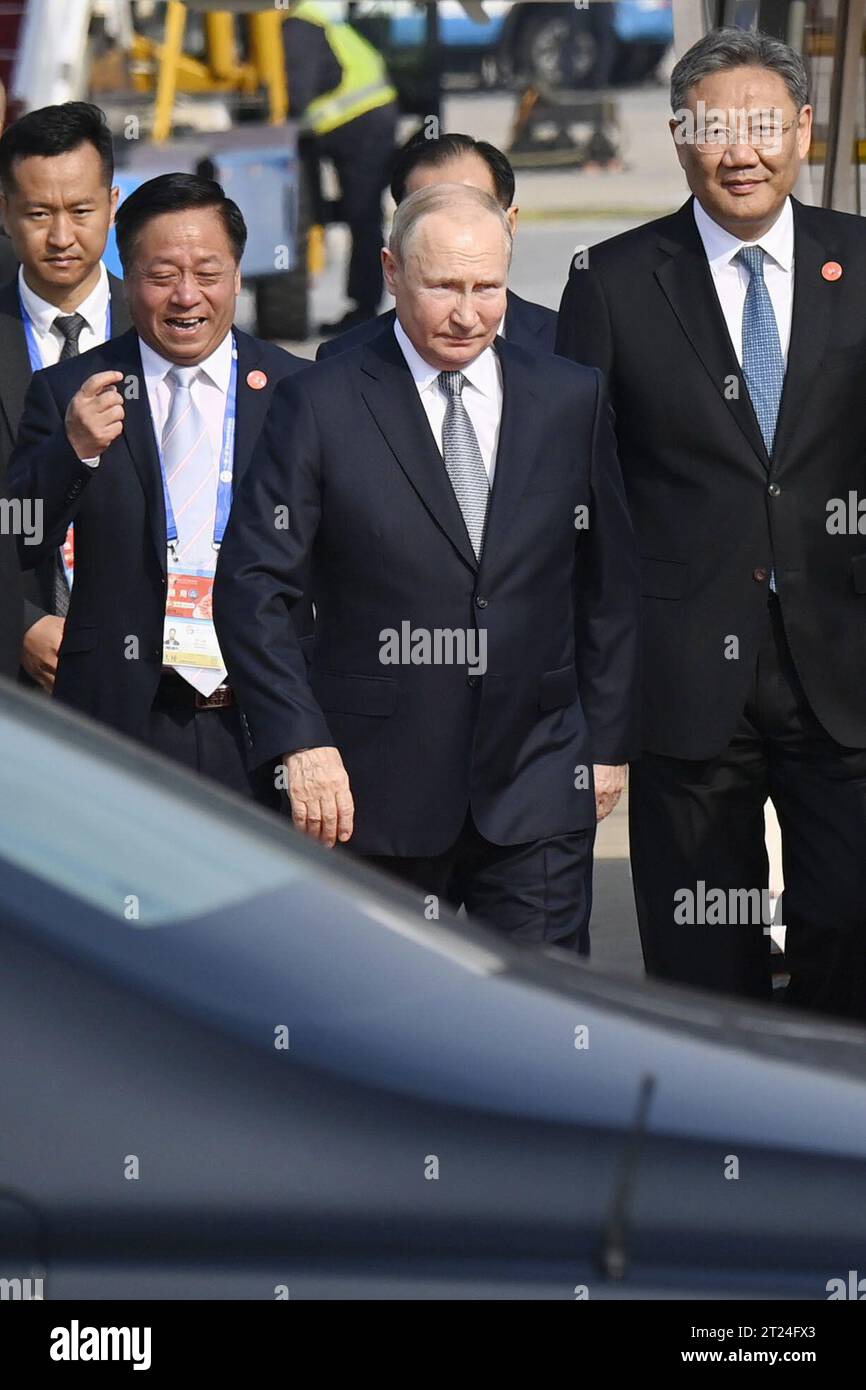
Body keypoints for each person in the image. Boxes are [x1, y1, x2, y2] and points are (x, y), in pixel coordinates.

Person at [214, 184, 639, 949]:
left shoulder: (569, 396)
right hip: (372, 791)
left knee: (544, 1030)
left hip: (537, 782)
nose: (467, 313)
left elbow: (608, 581)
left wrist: (604, 743)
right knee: (393, 1034)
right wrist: (300, 743)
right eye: (444, 286)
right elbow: (252, 586)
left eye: (487, 288)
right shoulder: (320, 403)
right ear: (390, 271)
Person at [556, 27, 866, 1020]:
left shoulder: (860, 262)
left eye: (762, 126)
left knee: (849, 920)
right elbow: (579, 503)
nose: (740, 152)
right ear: (680, 135)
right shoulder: (610, 282)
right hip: (685, 681)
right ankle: (726, 1140)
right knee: (700, 948)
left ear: (803, 130)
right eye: (714, 129)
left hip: (844, 669)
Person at [9, 174, 307, 800]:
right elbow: (18, 542)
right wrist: (74, 453)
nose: (186, 296)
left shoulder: (298, 392)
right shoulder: (72, 389)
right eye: (162, 274)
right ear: (127, 274)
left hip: (263, 719)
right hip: (125, 716)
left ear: (237, 274)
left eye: (208, 271)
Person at [0, 102, 131, 692]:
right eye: (37, 213)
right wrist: (17, 624)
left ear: (113, 203)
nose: (60, 237)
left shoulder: (172, 332)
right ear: (4, 212)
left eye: (80, 211)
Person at [317, 131, 557, 361]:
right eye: (426, 211)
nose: (450, 229)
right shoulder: (343, 363)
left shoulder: (565, 344)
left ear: (510, 223)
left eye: (470, 211)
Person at [281, 0, 398, 335]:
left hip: (359, 126)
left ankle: (364, 309)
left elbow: (298, 94)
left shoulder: (299, 27)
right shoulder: (316, 19)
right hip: (365, 122)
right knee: (362, 215)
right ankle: (364, 306)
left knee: (363, 217)